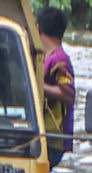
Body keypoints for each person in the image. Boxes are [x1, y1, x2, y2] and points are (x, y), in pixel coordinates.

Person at [34, 9, 73, 156]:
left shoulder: (59, 60)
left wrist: (37, 85)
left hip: (52, 139)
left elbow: (68, 94)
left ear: (38, 28)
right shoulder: (47, 56)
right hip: (44, 135)